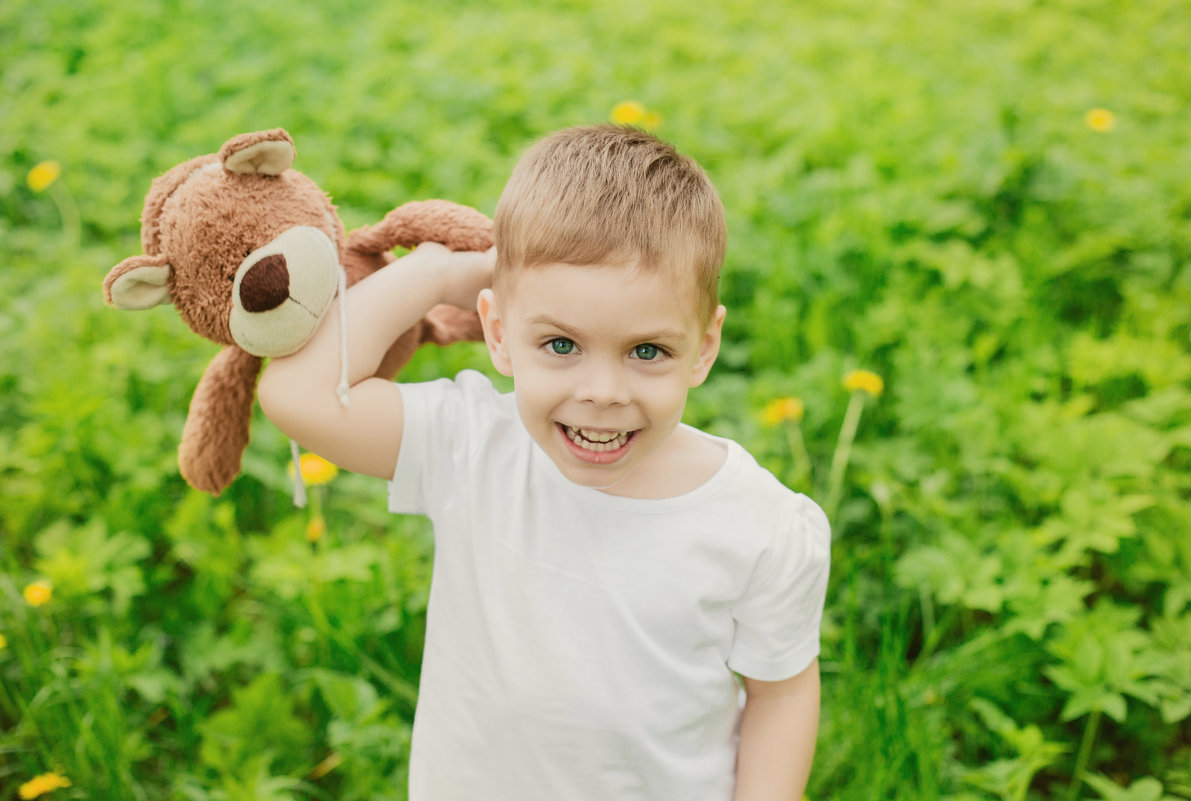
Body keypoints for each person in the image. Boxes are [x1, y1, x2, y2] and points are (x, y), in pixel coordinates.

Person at [258, 124, 830, 801]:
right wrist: (438, 271)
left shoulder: (759, 525)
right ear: (498, 333)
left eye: (647, 351)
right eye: (561, 344)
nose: (602, 392)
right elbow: (296, 393)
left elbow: (782, 692)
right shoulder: (471, 444)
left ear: (704, 348)